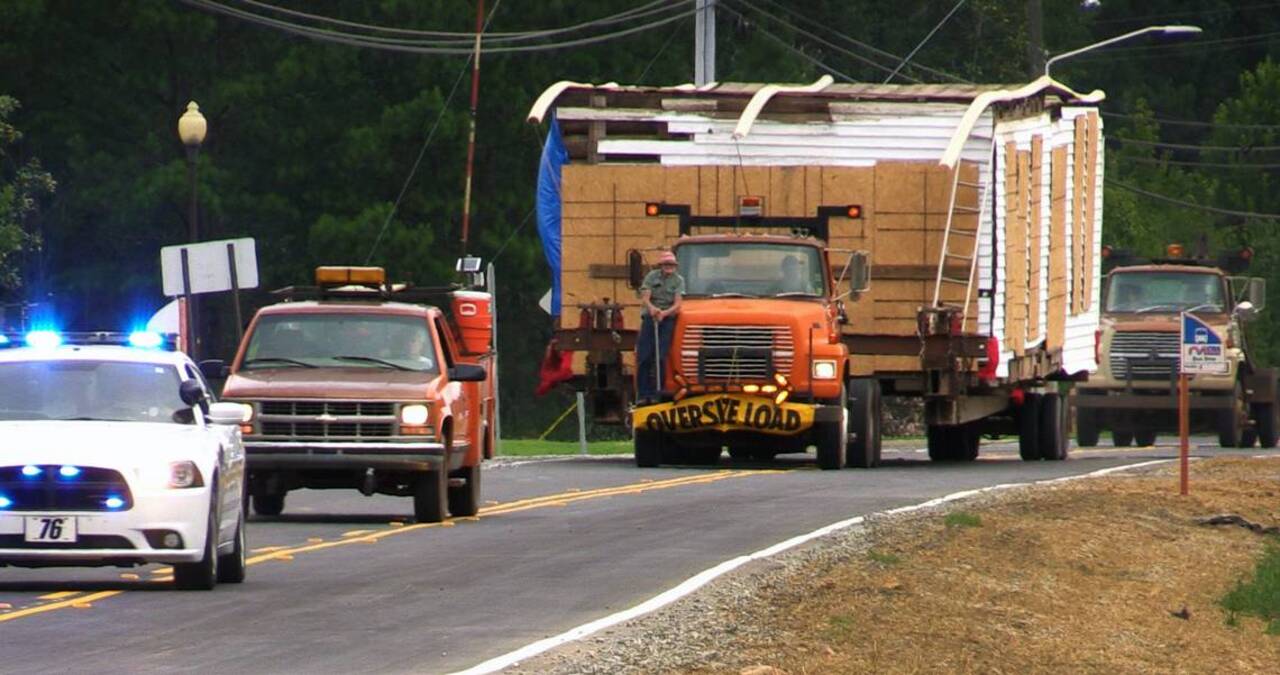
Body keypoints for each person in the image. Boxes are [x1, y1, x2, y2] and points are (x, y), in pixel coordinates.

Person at [636, 250, 684, 401]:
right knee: (644, 355)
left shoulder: (678, 280)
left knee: (661, 356)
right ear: (661, 265)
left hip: (667, 319)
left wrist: (665, 313)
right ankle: (643, 393)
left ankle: (659, 392)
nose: (669, 267)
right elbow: (645, 296)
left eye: (671, 264)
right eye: (666, 264)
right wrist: (652, 309)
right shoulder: (652, 277)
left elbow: (678, 303)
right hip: (651, 318)